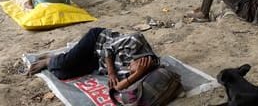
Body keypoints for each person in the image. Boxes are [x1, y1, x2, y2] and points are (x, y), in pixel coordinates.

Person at [27, 27, 159, 93]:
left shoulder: (138, 72)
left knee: (62, 74)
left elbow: (118, 87)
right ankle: (48, 60)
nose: (128, 69)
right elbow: (108, 48)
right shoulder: (136, 41)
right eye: (132, 66)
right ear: (141, 59)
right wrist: (112, 72)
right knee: (64, 63)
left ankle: (57, 58)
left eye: (131, 71)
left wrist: (136, 75)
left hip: (98, 62)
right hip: (97, 41)